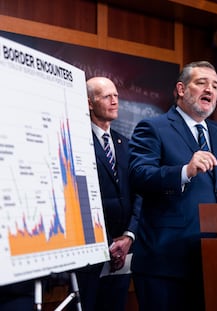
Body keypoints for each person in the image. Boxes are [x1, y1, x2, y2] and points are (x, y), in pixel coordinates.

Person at [128, 60, 217, 311]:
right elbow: (139, 175)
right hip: (165, 263)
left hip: (213, 260)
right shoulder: (153, 128)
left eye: (215, 85)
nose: (210, 90)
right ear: (181, 89)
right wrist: (184, 171)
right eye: (201, 83)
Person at [74, 77, 140, 310]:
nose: (114, 101)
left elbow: (138, 194)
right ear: (90, 103)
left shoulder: (126, 144)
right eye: (106, 96)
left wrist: (128, 236)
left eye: (116, 96)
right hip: (90, 257)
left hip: (124, 251)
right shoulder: (76, 140)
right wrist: (107, 245)